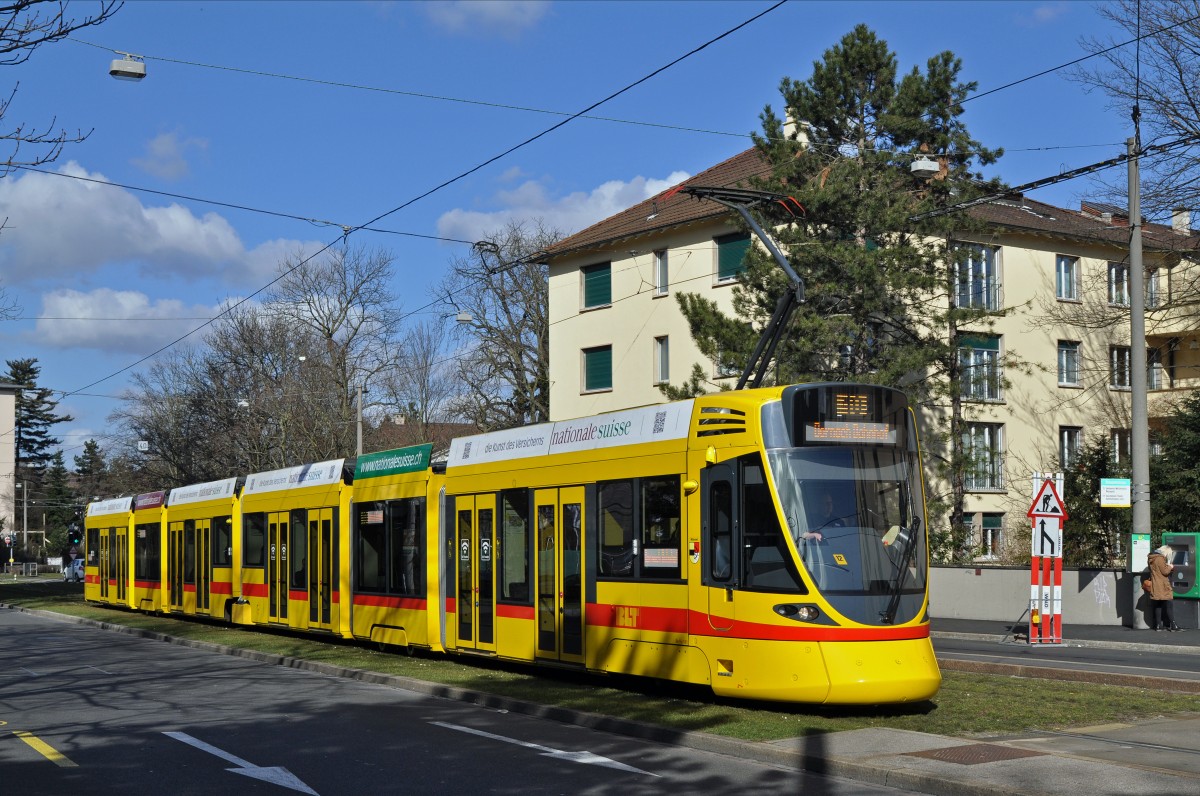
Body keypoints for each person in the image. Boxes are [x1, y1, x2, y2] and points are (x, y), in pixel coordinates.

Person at [1147, 543, 1180, 632]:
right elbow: (1165, 571)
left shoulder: (1151, 558)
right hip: (1163, 585)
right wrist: (1170, 566)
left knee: (1158, 605)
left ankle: (1158, 626)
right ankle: (1173, 626)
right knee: (1169, 604)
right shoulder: (1160, 559)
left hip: (1155, 584)